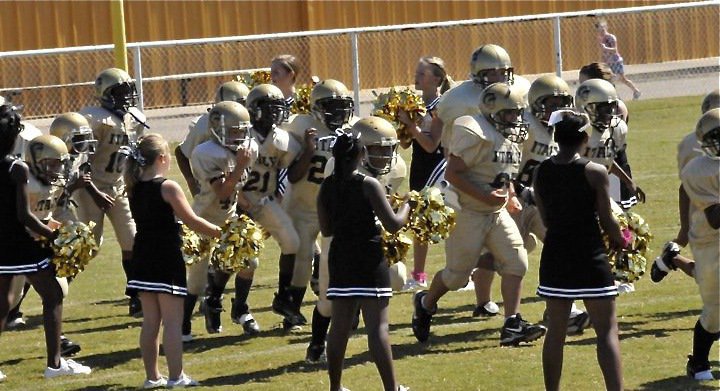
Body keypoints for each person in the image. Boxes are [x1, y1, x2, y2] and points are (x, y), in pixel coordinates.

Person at [411, 82, 546, 346]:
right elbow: (452, 173)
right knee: (457, 275)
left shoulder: (510, 137)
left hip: (496, 213)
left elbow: (502, 174)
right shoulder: (474, 131)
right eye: (509, 113)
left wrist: (511, 196)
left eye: (517, 113)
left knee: (516, 261)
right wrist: (485, 196)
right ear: (492, 111)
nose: (515, 119)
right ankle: (426, 302)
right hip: (469, 213)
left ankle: (512, 323)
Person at [534, 109, 625, 391]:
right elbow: (608, 219)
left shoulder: (541, 171)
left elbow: (545, 217)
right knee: (606, 330)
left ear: (556, 137)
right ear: (585, 138)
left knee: (556, 332)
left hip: (556, 255)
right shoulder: (595, 171)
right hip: (590, 255)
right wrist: (623, 241)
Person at [0, 104, 91, 380]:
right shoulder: (17, 168)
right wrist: (55, 237)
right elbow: (24, 216)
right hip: (21, 243)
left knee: (3, 302)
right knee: (53, 295)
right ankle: (55, 365)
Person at [306, 116, 407, 364]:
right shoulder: (340, 168)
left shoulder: (397, 168)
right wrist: (406, 208)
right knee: (328, 305)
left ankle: (358, 309)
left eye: (387, 149)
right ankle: (317, 342)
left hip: (371, 242)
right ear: (361, 151)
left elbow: (385, 208)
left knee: (399, 276)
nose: (384, 156)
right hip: (339, 242)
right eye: (377, 150)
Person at [125, 133, 222, 388]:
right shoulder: (168, 187)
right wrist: (222, 232)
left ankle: (152, 377)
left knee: (150, 321)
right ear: (161, 158)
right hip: (165, 256)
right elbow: (192, 220)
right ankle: (176, 377)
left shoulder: (133, 185)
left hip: (142, 255)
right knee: (171, 321)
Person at [512, 75, 591, 334]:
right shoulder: (524, 126)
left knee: (562, 248)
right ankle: (432, 300)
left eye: (561, 103)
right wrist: (518, 191)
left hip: (539, 201)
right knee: (504, 259)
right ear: (535, 104)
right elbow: (505, 165)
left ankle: (564, 312)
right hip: (512, 199)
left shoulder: (562, 130)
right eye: (550, 103)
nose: (556, 110)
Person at [281, 79, 355, 332]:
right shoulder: (302, 126)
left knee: (337, 261)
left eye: (341, 107)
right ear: (315, 108)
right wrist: (309, 151)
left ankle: (342, 307)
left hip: (333, 209)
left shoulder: (353, 130)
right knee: (301, 260)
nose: (338, 113)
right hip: (302, 205)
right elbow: (291, 175)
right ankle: (292, 310)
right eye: (330, 107)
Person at [78, 68, 147, 317]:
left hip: (117, 187)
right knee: (86, 246)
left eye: (128, 92)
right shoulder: (93, 119)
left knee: (132, 240)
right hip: (90, 189)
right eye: (119, 92)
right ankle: (37, 285)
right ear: (105, 94)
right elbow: (80, 163)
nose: (126, 98)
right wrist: (94, 191)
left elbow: (133, 157)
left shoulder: (133, 118)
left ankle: (135, 295)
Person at [185, 101, 256, 339]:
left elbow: (236, 189)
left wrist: (245, 200)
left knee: (248, 262)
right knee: (195, 280)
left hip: (228, 218)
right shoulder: (205, 153)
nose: (238, 136)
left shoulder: (245, 149)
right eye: (233, 131)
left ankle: (230, 307)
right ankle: (183, 327)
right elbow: (223, 191)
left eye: (241, 131)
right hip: (203, 220)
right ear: (217, 128)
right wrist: (240, 167)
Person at [651, 90, 719, 283]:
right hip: (707, 207)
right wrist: (686, 228)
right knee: (709, 274)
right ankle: (674, 259)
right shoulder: (697, 146)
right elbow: (688, 186)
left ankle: (670, 259)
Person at [397, 56, 453, 290]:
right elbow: (407, 144)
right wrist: (403, 126)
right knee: (419, 225)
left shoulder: (441, 107)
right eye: (417, 72)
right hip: (419, 168)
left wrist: (412, 126)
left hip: (437, 170)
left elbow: (432, 145)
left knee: (440, 221)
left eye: (422, 73)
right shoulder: (417, 105)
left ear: (437, 79)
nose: (416, 77)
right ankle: (419, 276)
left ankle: (463, 272)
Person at [679, 108, 720, 381]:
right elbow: (716, 218)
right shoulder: (698, 170)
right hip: (711, 243)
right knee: (716, 309)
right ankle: (699, 361)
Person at [175, 80, 249, 197]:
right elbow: (181, 152)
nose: (242, 110)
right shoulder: (205, 124)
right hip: (215, 187)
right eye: (238, 105)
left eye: (245, 105)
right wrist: (192, 183)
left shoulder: (249, 122)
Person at [578, 62, 636, 210]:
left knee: (614, 216)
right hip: (595, 164)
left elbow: (605, 144)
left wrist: (627, 180)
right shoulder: (587, 110)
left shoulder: (616, 109)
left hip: (609, 164)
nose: (582, 90)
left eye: (585, 84)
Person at [595, 20, 641, 100]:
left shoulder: (611, 37)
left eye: (603, 27)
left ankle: (635, 91)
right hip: (608, 62)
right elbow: (603, 52)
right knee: (609, 79)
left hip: (615, 61)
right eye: (600, 28)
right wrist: (603, 60)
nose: (602, 29)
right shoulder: (600, 39)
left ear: (606, 27)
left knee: (621, 79)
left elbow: (614, 50)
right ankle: (618, 96)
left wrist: (605, 48)